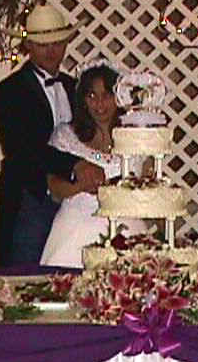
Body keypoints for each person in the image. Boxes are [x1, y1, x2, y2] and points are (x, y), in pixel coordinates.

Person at [0, 2, 105, 267]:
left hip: (73, 201)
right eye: (43, 44)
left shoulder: (74, 87)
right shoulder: (9, 91)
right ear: (28, 45)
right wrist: (74, 165)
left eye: (57, 43)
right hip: (30, 198)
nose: (51, 50)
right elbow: (24, 149)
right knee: (25, 274)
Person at [40, 62, 148, 268]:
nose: (99, 104)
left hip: (127, 231)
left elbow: (149, 188)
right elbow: (54, 189)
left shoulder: (136, 136)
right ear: (83, 99)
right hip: (74, 230)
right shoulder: (66, 136)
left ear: (119, 97)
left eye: (106, 95)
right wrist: (81, 185)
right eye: (92, 96)